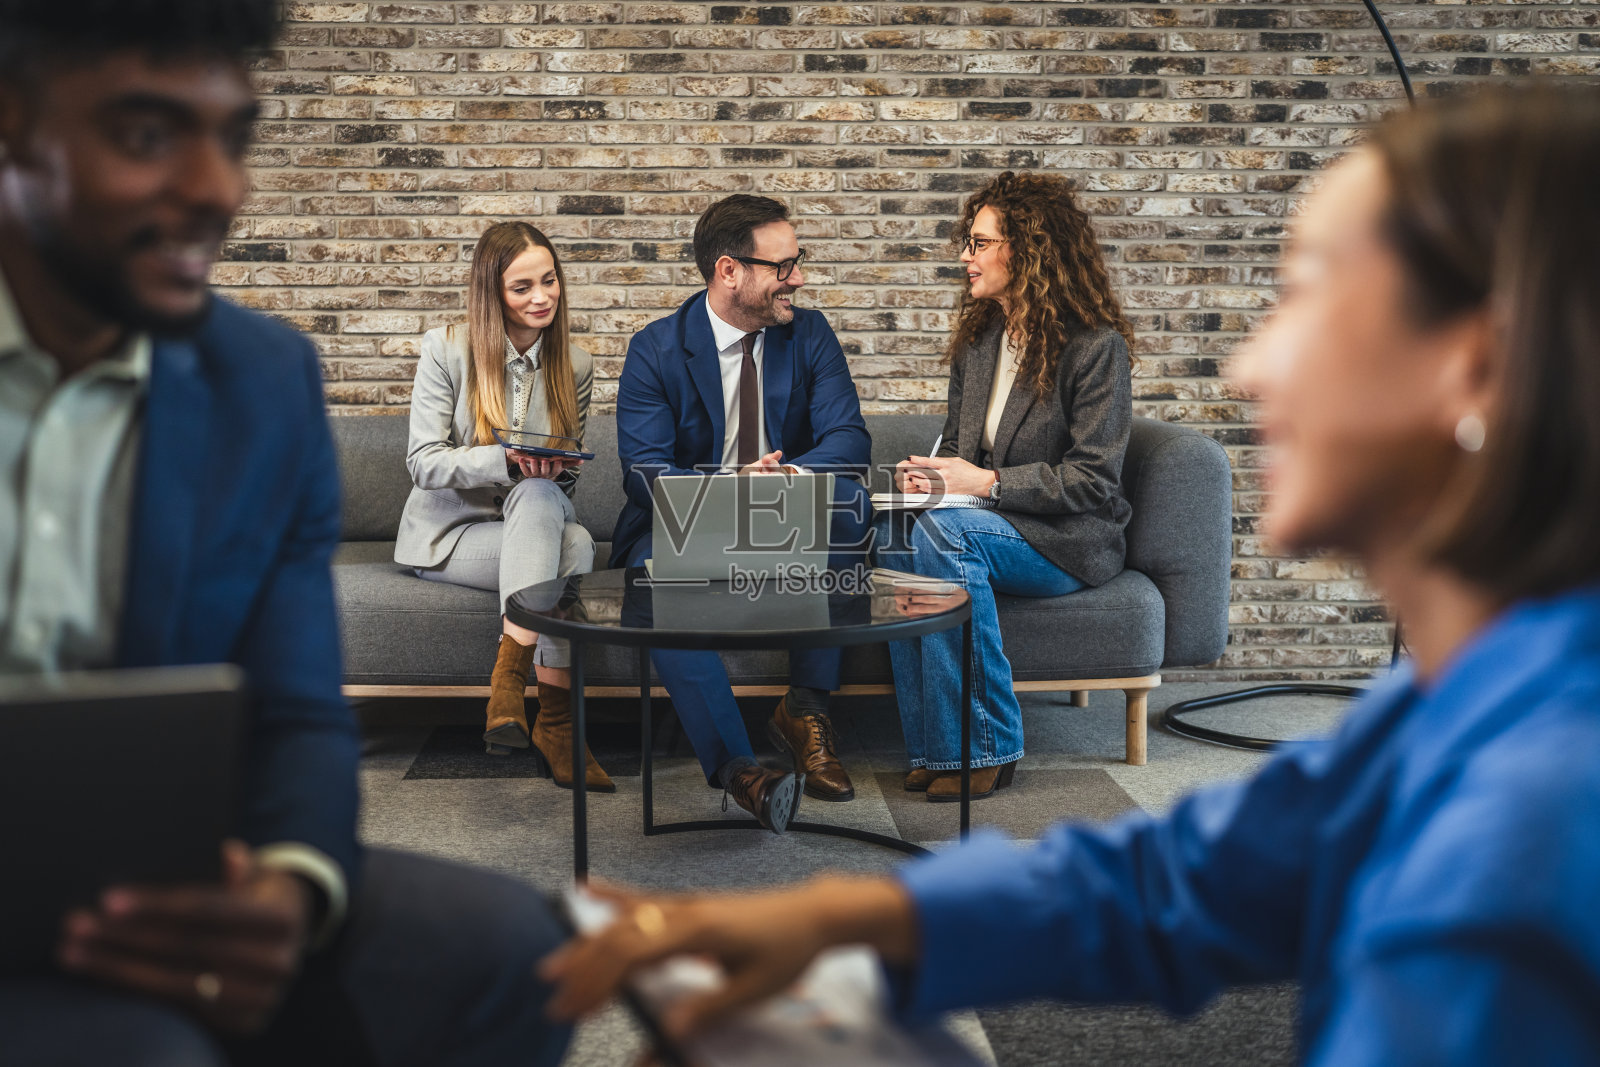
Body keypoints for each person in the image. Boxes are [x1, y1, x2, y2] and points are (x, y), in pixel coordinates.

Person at [540, 83, 1600, 1063]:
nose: (1249, 367)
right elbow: (1169, 883)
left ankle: (952, 739)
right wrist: (841, 920)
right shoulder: (1432, 716)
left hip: (1050, 534)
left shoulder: (1534, 828)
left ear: (1475, 366)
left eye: (1311, 297)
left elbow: (1068, 477)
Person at [0, 2, 568, 1063]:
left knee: (519, 952)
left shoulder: (261, 380)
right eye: (147, 133)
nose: (217, 189)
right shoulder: (448, 348)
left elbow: (301, 711)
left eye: (234, 136)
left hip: (172, 862)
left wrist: (290, 885)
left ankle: (528, 678)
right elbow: (428, 460)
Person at [612, 194, 873, 833]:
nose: (798, 279)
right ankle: (742, 772)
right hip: (692, 520)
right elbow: (643, 473)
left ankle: (805, 711)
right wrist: (732, 487)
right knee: (656, 575)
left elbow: (849, 440)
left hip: (787, 513)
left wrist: (788, 481)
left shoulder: (808, 335)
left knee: (848, 509)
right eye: (782, 266)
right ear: (729, 271)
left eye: (798, 261)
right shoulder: (656, 349)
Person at [877, 171, 1134, 801]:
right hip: (991, 522)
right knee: (893, 534)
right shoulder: (981, 341)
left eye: (981, 243)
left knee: (948, 534)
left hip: (1065, 538)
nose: (966, 256)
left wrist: (986, 482)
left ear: (1029, 250)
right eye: (968, 242)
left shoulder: (1095, 348)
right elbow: (960, 450)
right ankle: (937, 745)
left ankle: (986, 745)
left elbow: (1093, 479)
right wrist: (932, 477)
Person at [396, 221, 608, 789]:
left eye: (549, 281)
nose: (542, 297)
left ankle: (516, 695)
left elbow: (563, 489)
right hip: (452, 535)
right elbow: (424, 462)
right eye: (522, 287)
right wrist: (506, 461)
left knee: (561, 521)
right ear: (493, 293)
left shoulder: (576, 365)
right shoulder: (446, 349)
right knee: (574, 547)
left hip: (530, 524)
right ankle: (554, 721)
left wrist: (552, 472)